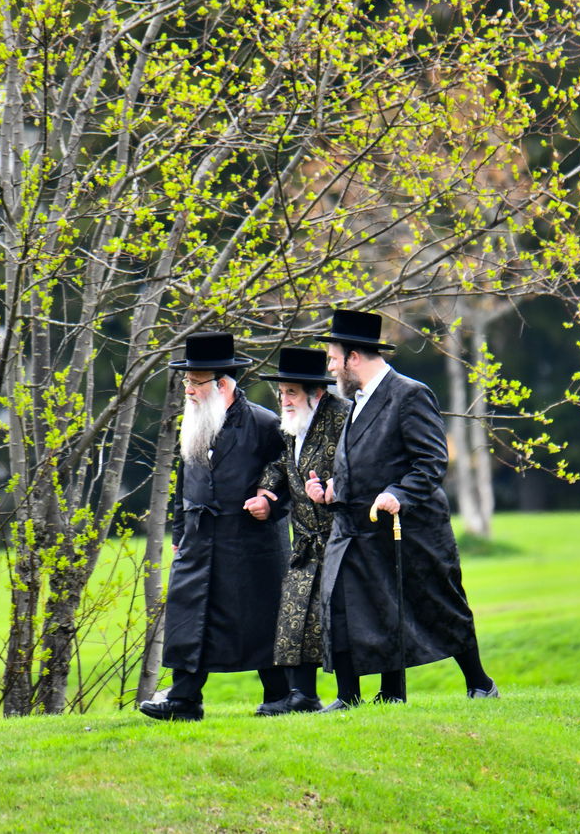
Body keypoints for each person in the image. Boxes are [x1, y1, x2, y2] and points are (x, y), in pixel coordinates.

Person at [305, 308, 499, 709]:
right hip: (354, 526)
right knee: (339, 601)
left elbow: (430, 462)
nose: (331, 366)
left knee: (439, 605)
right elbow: (363, 461)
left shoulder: (409, 394)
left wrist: (399, 493)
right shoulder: (355, 401)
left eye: (333, 358)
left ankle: (480, 683)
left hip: (409, 528)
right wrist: (331, 489)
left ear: (354, 357)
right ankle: (350, 697)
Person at [138, 331, 290, 722]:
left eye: (194, 381)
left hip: (249, 542)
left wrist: (270, 503)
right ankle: (184, 699)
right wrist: (178, 533)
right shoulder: (192, 420)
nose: (187, 389)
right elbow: (182, 481)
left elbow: (290, 475)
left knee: (259, 618)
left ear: (221, 383)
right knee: (188, 617)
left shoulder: (264, 423)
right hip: (198, 538)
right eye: (186, 380)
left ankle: (280, 697)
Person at [245, 347, 351, 715]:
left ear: (315, 393)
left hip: (341, 539)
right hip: (305, 538)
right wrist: (266, 495)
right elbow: (280, 464)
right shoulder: (291, 423)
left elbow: (361, 465)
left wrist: (335, 486)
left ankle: (349, 695)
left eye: (291, 392)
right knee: (295, 616)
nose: (284, 399)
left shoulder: (342, 418)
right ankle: (302, 695)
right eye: (281, 392)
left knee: (340, 621)